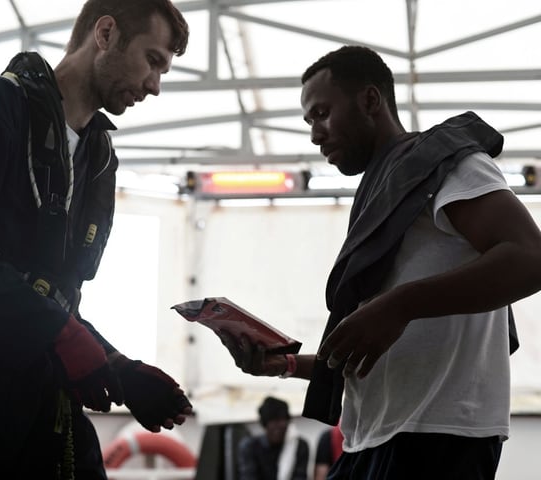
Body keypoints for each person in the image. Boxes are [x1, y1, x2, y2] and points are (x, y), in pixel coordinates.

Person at [217, 45, 541, 480]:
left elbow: (531, 257)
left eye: (322, 113)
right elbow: (378, 349)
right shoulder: (380, 196)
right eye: (309, 121)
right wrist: (288, 364)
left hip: (438, 438)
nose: (315, 134)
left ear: (370, 100)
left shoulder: (448, 163)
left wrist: (399, 305)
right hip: (369, 439)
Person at [0, 0, 190, 478]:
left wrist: (115, 365)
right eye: (153, 60)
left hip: (34, 398)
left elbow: (52, 291)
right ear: (105, 33)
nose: (155, 86)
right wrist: (60, 336)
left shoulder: (99, 156)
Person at [237, 396, 309, 480]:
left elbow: (299, 476)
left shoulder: (298, 446)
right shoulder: (250, 446)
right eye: (274, 421)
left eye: (283, 420)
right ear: (265, 424)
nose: (279, 426)